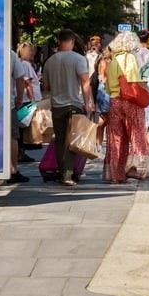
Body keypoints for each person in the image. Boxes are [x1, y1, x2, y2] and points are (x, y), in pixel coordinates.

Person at [44, 30, 93, 186]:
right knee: (72, 140)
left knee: (59, 140)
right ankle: (68, 174)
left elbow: (46, 86)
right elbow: (85, 81)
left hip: (56, 105)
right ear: (71, 41)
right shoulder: (79, 59)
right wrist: (88, 103)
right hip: (74, 104)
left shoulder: (50, 61)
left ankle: (62, 171)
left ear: (59, 41)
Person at [105, 31, 149, 183]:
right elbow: (132, 80)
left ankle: (115, 174)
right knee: (136, 134)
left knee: (116, 138)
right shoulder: (129, 58)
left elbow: (107, 86)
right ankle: (138, 169)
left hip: (114, 101)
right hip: (129, 101)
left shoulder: (113, 61)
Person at [8, 50, 30, 184]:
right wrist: (20, 99)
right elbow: (20, 78)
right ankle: (13, 170)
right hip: (7, 103)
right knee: (12, 136)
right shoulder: (9, 54)